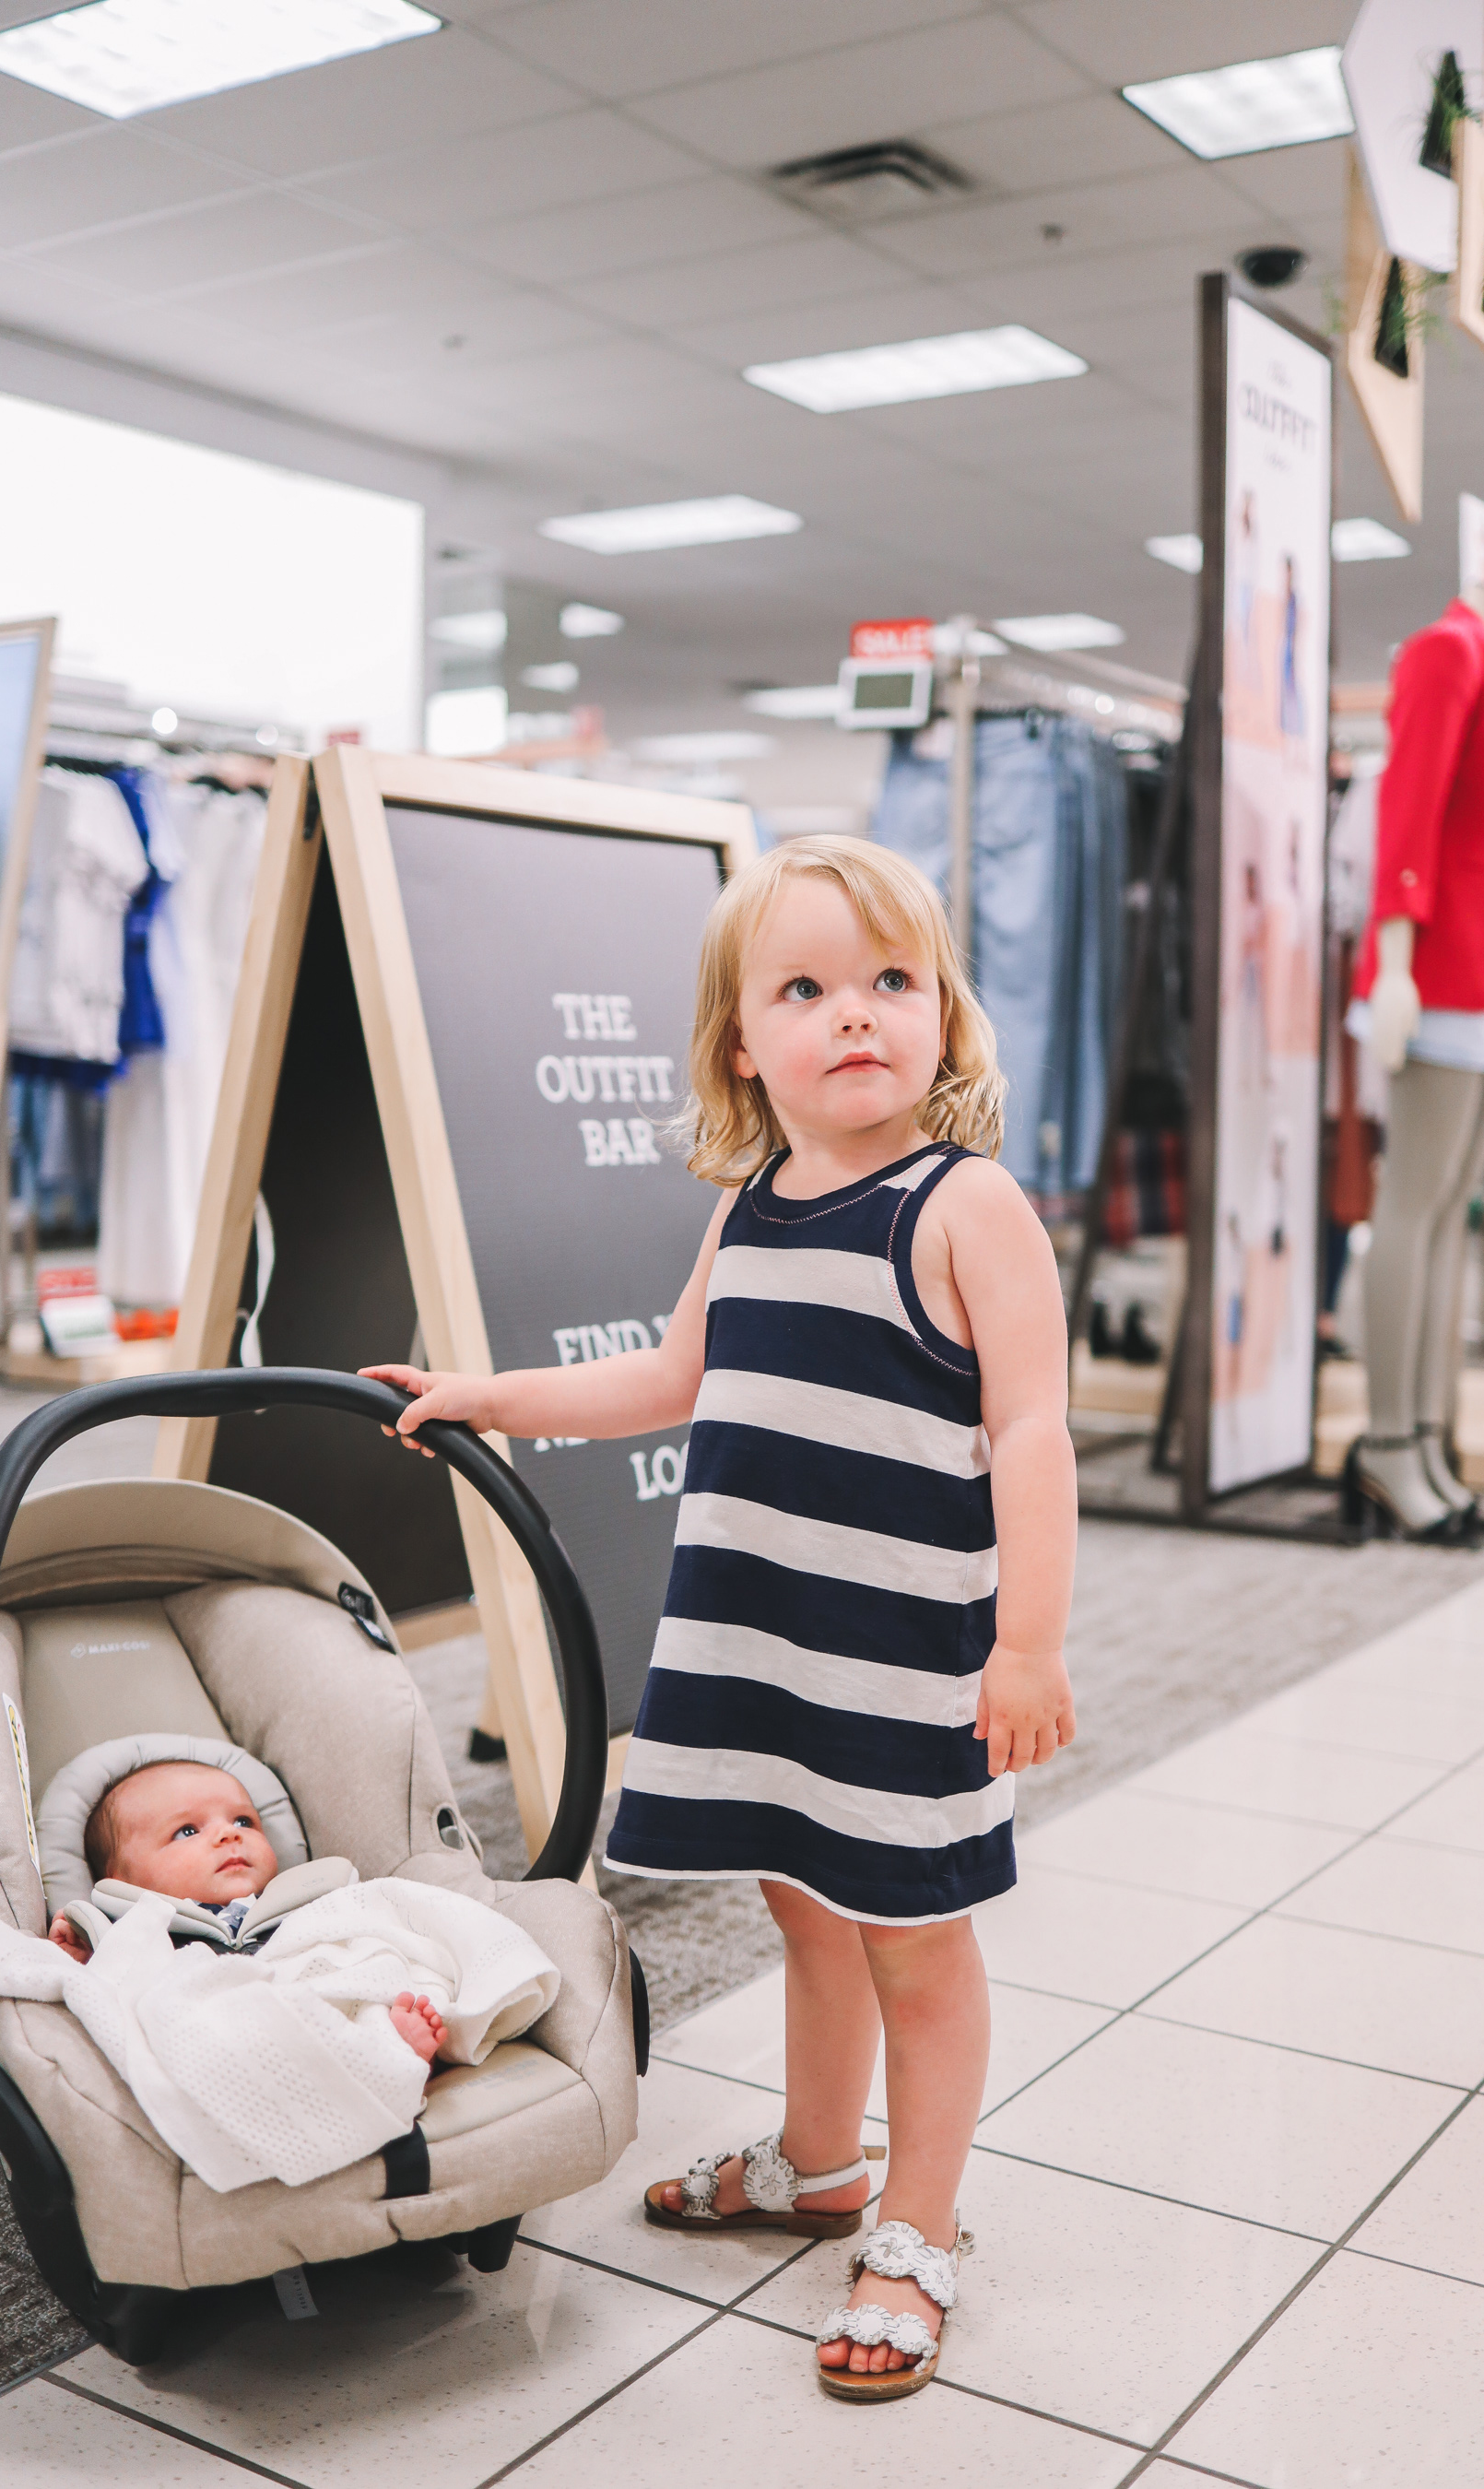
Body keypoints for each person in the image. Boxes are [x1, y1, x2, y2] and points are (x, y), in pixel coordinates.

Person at [364, 836, 1078, 2402]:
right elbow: (668, 1377)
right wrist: (487, 1392)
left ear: (947, 1015)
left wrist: (1028, 1643)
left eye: (894, 981)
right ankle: (821, 2163)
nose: (857, 1018)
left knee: (915, 1944)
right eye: (807, 989)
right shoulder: (753, 1205)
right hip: (768, 1649)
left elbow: (1033, 1432)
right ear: (740, 1045)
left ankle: (918, 2221)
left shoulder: (966, 1210)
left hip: (904, 1669)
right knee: (804, 1909)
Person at [45, 1758, 447, 2063]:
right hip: (218, 2036)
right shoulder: (135, 1928)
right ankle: (375, 2064)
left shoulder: (304, 1900)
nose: (229, 1833)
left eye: (244, 1820)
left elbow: (361, 1936)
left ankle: (385, 2046)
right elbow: (112, 1989)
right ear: (122, 1881)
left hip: (313, 2001)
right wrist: (84, 1955)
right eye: (187, 1830)